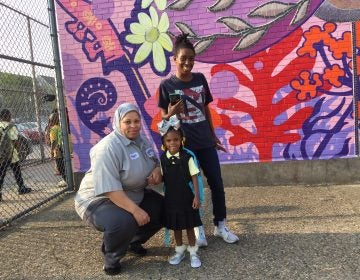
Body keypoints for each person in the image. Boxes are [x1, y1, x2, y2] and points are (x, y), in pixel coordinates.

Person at [157, 33, 239, 246]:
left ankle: (221, 225)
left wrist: (214, 137)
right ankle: (198, 229)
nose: (187, 63)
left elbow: (206, 110)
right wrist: (171, 112)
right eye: (183, 58)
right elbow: (163, 120)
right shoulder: (166, 86)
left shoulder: (200, 80)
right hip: (185, 147)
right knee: (191, 189)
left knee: (216, 184)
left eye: (191, 59)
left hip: (205, 143)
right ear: (174, 59)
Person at [74, 103, 164, 276]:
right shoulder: (107, 148)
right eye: (127, 122)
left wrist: (157, 169)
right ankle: (112, 257)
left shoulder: (141, 140)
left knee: (165, 209)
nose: (133, 126)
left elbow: (155, 161)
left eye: (136, 121)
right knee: (124, 221)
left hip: (132, 193)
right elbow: (110, 189)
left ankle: (130, 242)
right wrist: (136, 211)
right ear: (118, 122)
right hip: (99, 199)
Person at [158, 117, 203, 268]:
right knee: (176, 227)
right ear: (164, 142)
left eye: (176, 139)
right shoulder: (163, 159)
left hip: (186, 198)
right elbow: (162, 178)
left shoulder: (187, 157)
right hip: (171, 199)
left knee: (189, 226)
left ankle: (193, 252)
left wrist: (196, 196)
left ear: (181, 140)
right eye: (169, 140)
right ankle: (179, 251)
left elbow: (195, 177)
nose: (173, 143)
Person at [0, 109, 32, 201]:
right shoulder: (10, 126)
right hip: (10, 154)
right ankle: (21, 188)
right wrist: (18, 150)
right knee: (17, 171)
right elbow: (15, 140)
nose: (11, 117)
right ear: (7, 116)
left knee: (1, 173)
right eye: (10, 115)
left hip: (1, 155)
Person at [48, 111, 67, 187]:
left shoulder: (53, 129)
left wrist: (51, 151)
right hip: (63, 148)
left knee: (60, 166)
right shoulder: (60, 127)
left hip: (57, 149)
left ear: (51, 121)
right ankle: (67, 179)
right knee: (63, 165)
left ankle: (66, 180)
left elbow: (54, 141)